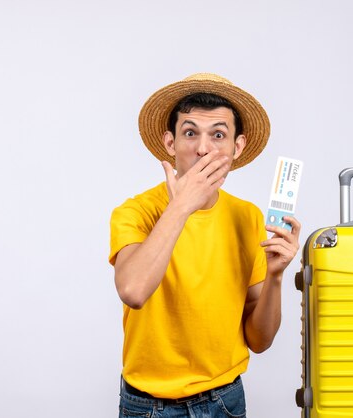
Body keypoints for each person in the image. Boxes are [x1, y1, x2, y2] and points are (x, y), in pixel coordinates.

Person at [109, 73, 301, 417]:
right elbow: (134, 291)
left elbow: (260, 341)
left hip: (224, 401)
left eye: (218, 135)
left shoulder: (247, 216)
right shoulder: (134, 212)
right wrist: (182, 205)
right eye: (189, 132)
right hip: (148, 405)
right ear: (170, 143)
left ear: (236, 147)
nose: (202, 148)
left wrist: (275, 275)